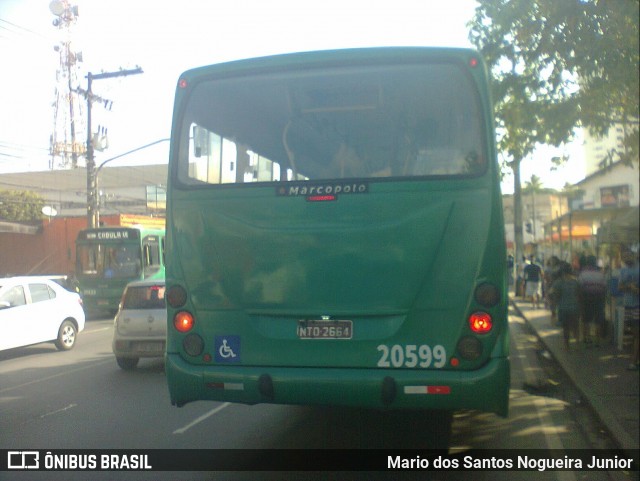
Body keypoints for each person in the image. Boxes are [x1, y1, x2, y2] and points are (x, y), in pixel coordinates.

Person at [549, 262, 580, 351]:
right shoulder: (576, 282)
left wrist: (553, 310)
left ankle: (567, 346)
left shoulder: (558, 283)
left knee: (566, 328)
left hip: (563, 308)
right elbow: (579, 295)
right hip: (574, 308)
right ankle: (577, 343)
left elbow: (552, 294)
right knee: (575, 326)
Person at [578, 255, 607, 345]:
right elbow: (604, 287)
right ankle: (597, 341)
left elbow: (579, 287)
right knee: (598, 320)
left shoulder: (583, 274)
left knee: (586, 320)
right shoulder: (601, 274)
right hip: (599, 299)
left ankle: (587, 338)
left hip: (586, 299)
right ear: (595, 263)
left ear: (587, 263)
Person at [619, 252, 639, 370]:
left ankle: (633, 362)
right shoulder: (623, 270)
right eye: (624, 256)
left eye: (627, 256)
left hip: (637, 305)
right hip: (628, 305)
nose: (625, 259)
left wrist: (636, 289)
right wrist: (628, 287)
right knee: (633, 334)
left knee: (637, 335)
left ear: (633, 256)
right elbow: (620, 287)